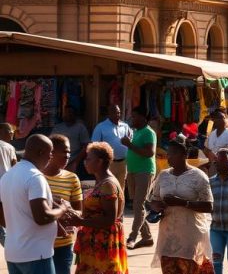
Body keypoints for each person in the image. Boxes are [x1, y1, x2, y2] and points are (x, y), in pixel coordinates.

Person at [0, 134, 67, 274]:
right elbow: (42, 217)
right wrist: (62, 208)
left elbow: (3, 217)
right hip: (36, 254)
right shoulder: (35, 177)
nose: (50, 158)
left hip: (14, 254)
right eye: (50, 153)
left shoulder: (7, 176)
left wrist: (22, 225)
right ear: (41, 152)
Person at [148, 139, 214, 273]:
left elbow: (209, 206)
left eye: (173, 154)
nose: (169, 157)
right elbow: (152, 200)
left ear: (184, 156)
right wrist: (156, 206)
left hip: (190, 236)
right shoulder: (163, 175)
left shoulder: (198, 176)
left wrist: (183, 203)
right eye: (168, 154)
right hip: (168, 235)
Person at [65, 142, 128, 274]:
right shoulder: (102, 182)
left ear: (99, 162)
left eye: (88, 159)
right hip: (95, 242)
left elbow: (109, 219)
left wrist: (80, 222)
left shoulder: (108, 185)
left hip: (102, 244)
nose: (84, 162)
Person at [41, 135, 83, 274]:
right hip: (39, 244)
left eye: (69, 152)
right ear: (51, 153)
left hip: (64, 244)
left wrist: (66, 211)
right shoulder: (36, 177)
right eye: (64, 151)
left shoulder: (72, 178)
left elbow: (79, 212)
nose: (68, 156)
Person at [121, 106, 156, 250]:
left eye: (134, 116)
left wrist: (129, 145)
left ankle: (133, 236)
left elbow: (149, 153)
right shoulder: (135, 132)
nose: (132, 119)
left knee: (138, 205)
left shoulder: (149, 132)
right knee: (137, 206)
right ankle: (147, 237)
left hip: (144, 171)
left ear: (143, 118)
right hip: (133, 171)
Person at [91, 105, 132, 190]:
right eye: (114, 112)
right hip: (108, 164)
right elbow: (94, 146)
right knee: (106, 188)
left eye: (119, 112)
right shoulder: (101, 127)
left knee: (121, 189)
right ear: (108, 114)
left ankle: (120, 203)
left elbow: (130, 140)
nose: (117, 115)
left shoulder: (125, 126)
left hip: (123, 163)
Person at [50, 106, 91, 177]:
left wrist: (75, 163)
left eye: (70, 113)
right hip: (58, 161)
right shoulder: (58, 127)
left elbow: (86, 146)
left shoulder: (80, 127)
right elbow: (50, 143)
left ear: (75, 114)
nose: (68, 115)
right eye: (66, 113)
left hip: (76, 162)